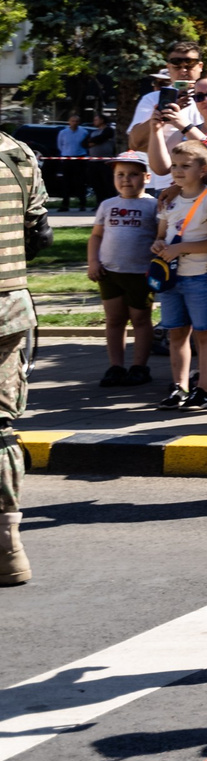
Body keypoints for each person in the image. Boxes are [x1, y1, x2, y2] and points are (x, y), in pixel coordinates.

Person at [150, 141, 207, 410]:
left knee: (204, 334)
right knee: (176, 333)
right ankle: (179, 388)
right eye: (174, 166)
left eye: (186, 165)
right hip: (171, 277)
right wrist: (158, 245)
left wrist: (181, 248)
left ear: (204, 169)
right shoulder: (168, 200)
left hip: (200, 276)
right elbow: (160, 236)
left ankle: (204, 390)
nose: (178, 171)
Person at [0, 123, 43, 585]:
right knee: (0, 427)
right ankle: (8, 545)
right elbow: (39, 233)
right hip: (7, 311)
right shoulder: (17, 154)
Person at [89, 156, 159, 388]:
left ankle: (139, 366)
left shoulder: (153, 205)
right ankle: (116, 366)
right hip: (109, 272)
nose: (126, 179)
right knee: (114, 319)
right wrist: (93, 262)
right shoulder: (107, 205)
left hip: (140, 273)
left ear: (147, 177)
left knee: (140, 318)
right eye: (120, 174)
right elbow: (96, 236)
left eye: (133, 174)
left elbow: (160, 237)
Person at [125, 39, 206, 192]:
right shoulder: (153, 99)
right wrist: (162, 116)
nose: (183, 70)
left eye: (190, 64)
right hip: (164, 182)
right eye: (176, 65)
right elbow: (134, 143)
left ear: (200, 66)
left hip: (206, 180)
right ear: (168, 68)